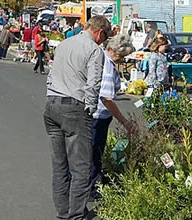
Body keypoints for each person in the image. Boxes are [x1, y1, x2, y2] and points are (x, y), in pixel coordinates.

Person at [44, 15, 111, 220]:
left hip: (52, 103)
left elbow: (51, 73)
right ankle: (75, 216)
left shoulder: (64, 44)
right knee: (81, 167)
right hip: (75, 105)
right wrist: (90, 109)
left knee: (60, 165)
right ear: (100, 32)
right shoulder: (94, 50)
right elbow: (93, 84)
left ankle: (63, 213)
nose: (104, 40)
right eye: (105, 36)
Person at [89, 34, 136, 200]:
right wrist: (125, 122)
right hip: (99, 115)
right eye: (121, 56)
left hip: (95, 114)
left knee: (93, 151)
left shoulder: (99, 58)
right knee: (95, 151)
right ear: (114, 51)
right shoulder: (107, 66)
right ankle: (91, 188)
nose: (122, 60)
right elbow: (107, 99)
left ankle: (91, 184)